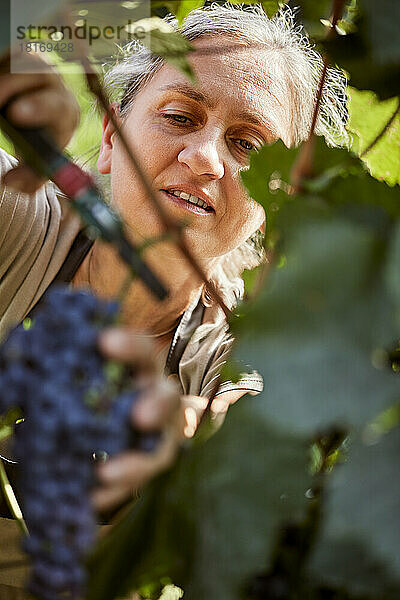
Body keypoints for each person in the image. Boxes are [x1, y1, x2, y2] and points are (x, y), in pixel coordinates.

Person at [0, 1, 347, 529]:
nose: (205, 158)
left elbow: (257, 416)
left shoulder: (234, 352)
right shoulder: (16, 218)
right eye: (181, 117)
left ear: (275, 205)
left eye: (247, 145)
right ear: (113, 140)